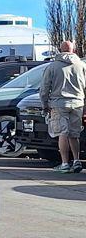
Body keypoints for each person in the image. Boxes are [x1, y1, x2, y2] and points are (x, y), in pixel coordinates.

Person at [39, 40, 86, 173]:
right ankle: (76, 160)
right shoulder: (82, 65)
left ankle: (65, 163)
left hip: (59, 103)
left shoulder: (52, 67)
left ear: (60, 50)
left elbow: (44, 89)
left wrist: (45, 105)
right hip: (77, 103)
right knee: (74, 134)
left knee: (62, 133)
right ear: (73, 50)